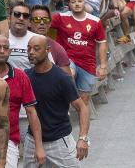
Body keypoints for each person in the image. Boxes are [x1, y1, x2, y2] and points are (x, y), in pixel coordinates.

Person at [23, 35, 90, 167]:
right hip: (33, 140)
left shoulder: (62, 78)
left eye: (36, 49)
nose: (31, 52)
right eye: (29, 48)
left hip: (59, 141)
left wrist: (83, 138)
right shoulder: (26, 76)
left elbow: (82, 108)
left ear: (47, 50)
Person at [0, 35, 46, 168]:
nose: (2, 51)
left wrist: (39, 146)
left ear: (10, 52)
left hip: (9, 140)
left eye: (6, 48)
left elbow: (32, 113)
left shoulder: (20, 77)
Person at [50, 0, 108, 105]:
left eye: (79, 1)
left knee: (84, 99)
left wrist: (103, 66)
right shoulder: (61, 17)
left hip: (87, 64)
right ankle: (62, 106)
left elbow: (102, 43)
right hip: (67, 59)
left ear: (84, 3)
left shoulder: (95, 21)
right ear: (69, 4)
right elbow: (42, 24)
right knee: (69, 74)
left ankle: (82, 119)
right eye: (73, 2)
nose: (77, 4)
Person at [28, 5, 72, 75]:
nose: (42, 23)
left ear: (50, 24)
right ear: (29, 23)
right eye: (37, 19)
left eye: (45, 20)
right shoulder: (19, 42)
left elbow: (68, 79)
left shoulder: (57, 48)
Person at [7, 2, 38, 70]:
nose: (21, 18)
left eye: (25, 16)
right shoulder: (1, 38)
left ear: (29, 21)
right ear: (9, 18)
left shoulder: (38, 39)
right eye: (17, 14)